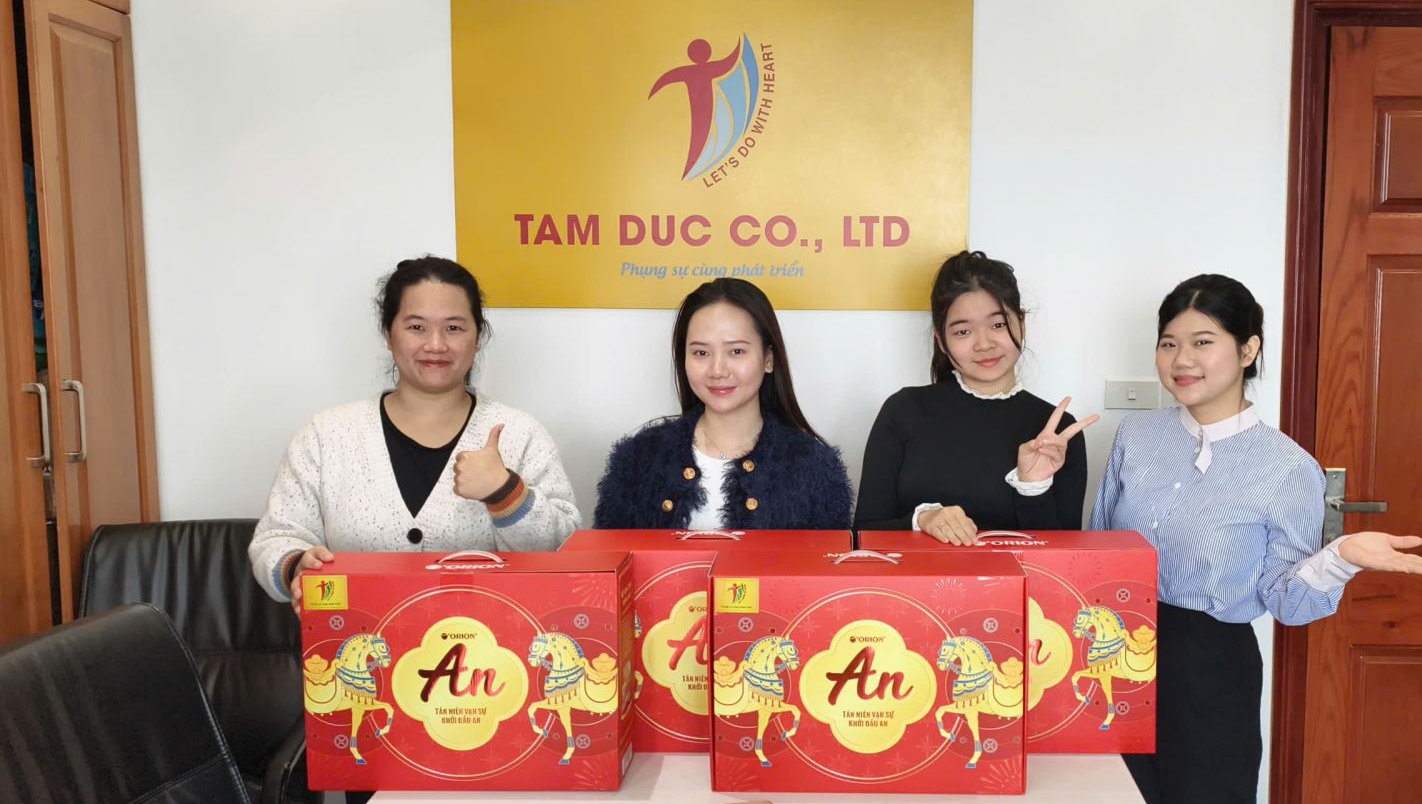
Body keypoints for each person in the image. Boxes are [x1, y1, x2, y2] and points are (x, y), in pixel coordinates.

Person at [1092, 273, 1422, 804]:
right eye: (1169, 343)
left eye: (1203, 341)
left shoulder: (1286, 467)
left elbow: (1285, 601)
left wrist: (1342, 556)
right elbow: (1098, 546)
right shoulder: (1136, 436)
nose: (1182, 359)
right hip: (1112, 657)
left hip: (1210, 669)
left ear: (1248, 348)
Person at [248, 256, 582, 612]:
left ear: (477, 337)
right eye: (417, 327)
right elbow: (276, 538)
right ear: (388, 335)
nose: (435, 344)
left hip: (493, 646)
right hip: (356, 644)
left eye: (454, 328)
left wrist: (505, 493)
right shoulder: (326, 435)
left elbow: (565, 551)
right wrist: (296, 566)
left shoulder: (521, 434)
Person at [854, 250, 1097, 541]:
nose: (984, 344)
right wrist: (922, 519)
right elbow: (863, 535)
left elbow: (1065, 555)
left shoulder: (1057, 431)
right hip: (914, 574)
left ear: (1022, 323)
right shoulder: (904, 411)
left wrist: (1033, 489)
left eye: (998, 325)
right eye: (963, 332)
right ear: (940, 340)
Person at [594, 277, 851, 530]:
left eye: (736, 351)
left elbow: (832, 557)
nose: (717, 370)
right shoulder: (638, 459)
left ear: (768, 359)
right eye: (701, 353)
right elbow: (607, 553)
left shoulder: (814, 467)